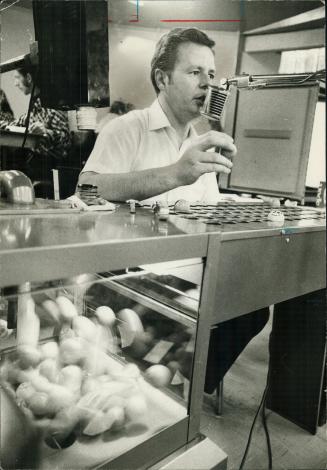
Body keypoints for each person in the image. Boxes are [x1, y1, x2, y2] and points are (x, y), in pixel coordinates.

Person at [79, 27, 269, 394]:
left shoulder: (200, 143)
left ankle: (182, 384)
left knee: (252, 308)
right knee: (189, 319)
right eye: (194, 72)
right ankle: (170, 383)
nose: (207, 84)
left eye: (211, 74)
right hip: (134, 279)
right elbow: (87, 189)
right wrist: (175, 174)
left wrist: (237, 209)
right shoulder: (126, 129)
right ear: (162, 78)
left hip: (192, 275)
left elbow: (205, 211)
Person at [12, 64, 71, 192]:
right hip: (33, 170)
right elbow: (16, 123)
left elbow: (65, 140)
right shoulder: (34, 107)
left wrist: (46, 132)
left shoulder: (52, 105)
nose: (15, 84)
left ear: (28, 77)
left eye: (17, 78)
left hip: (47, 172)